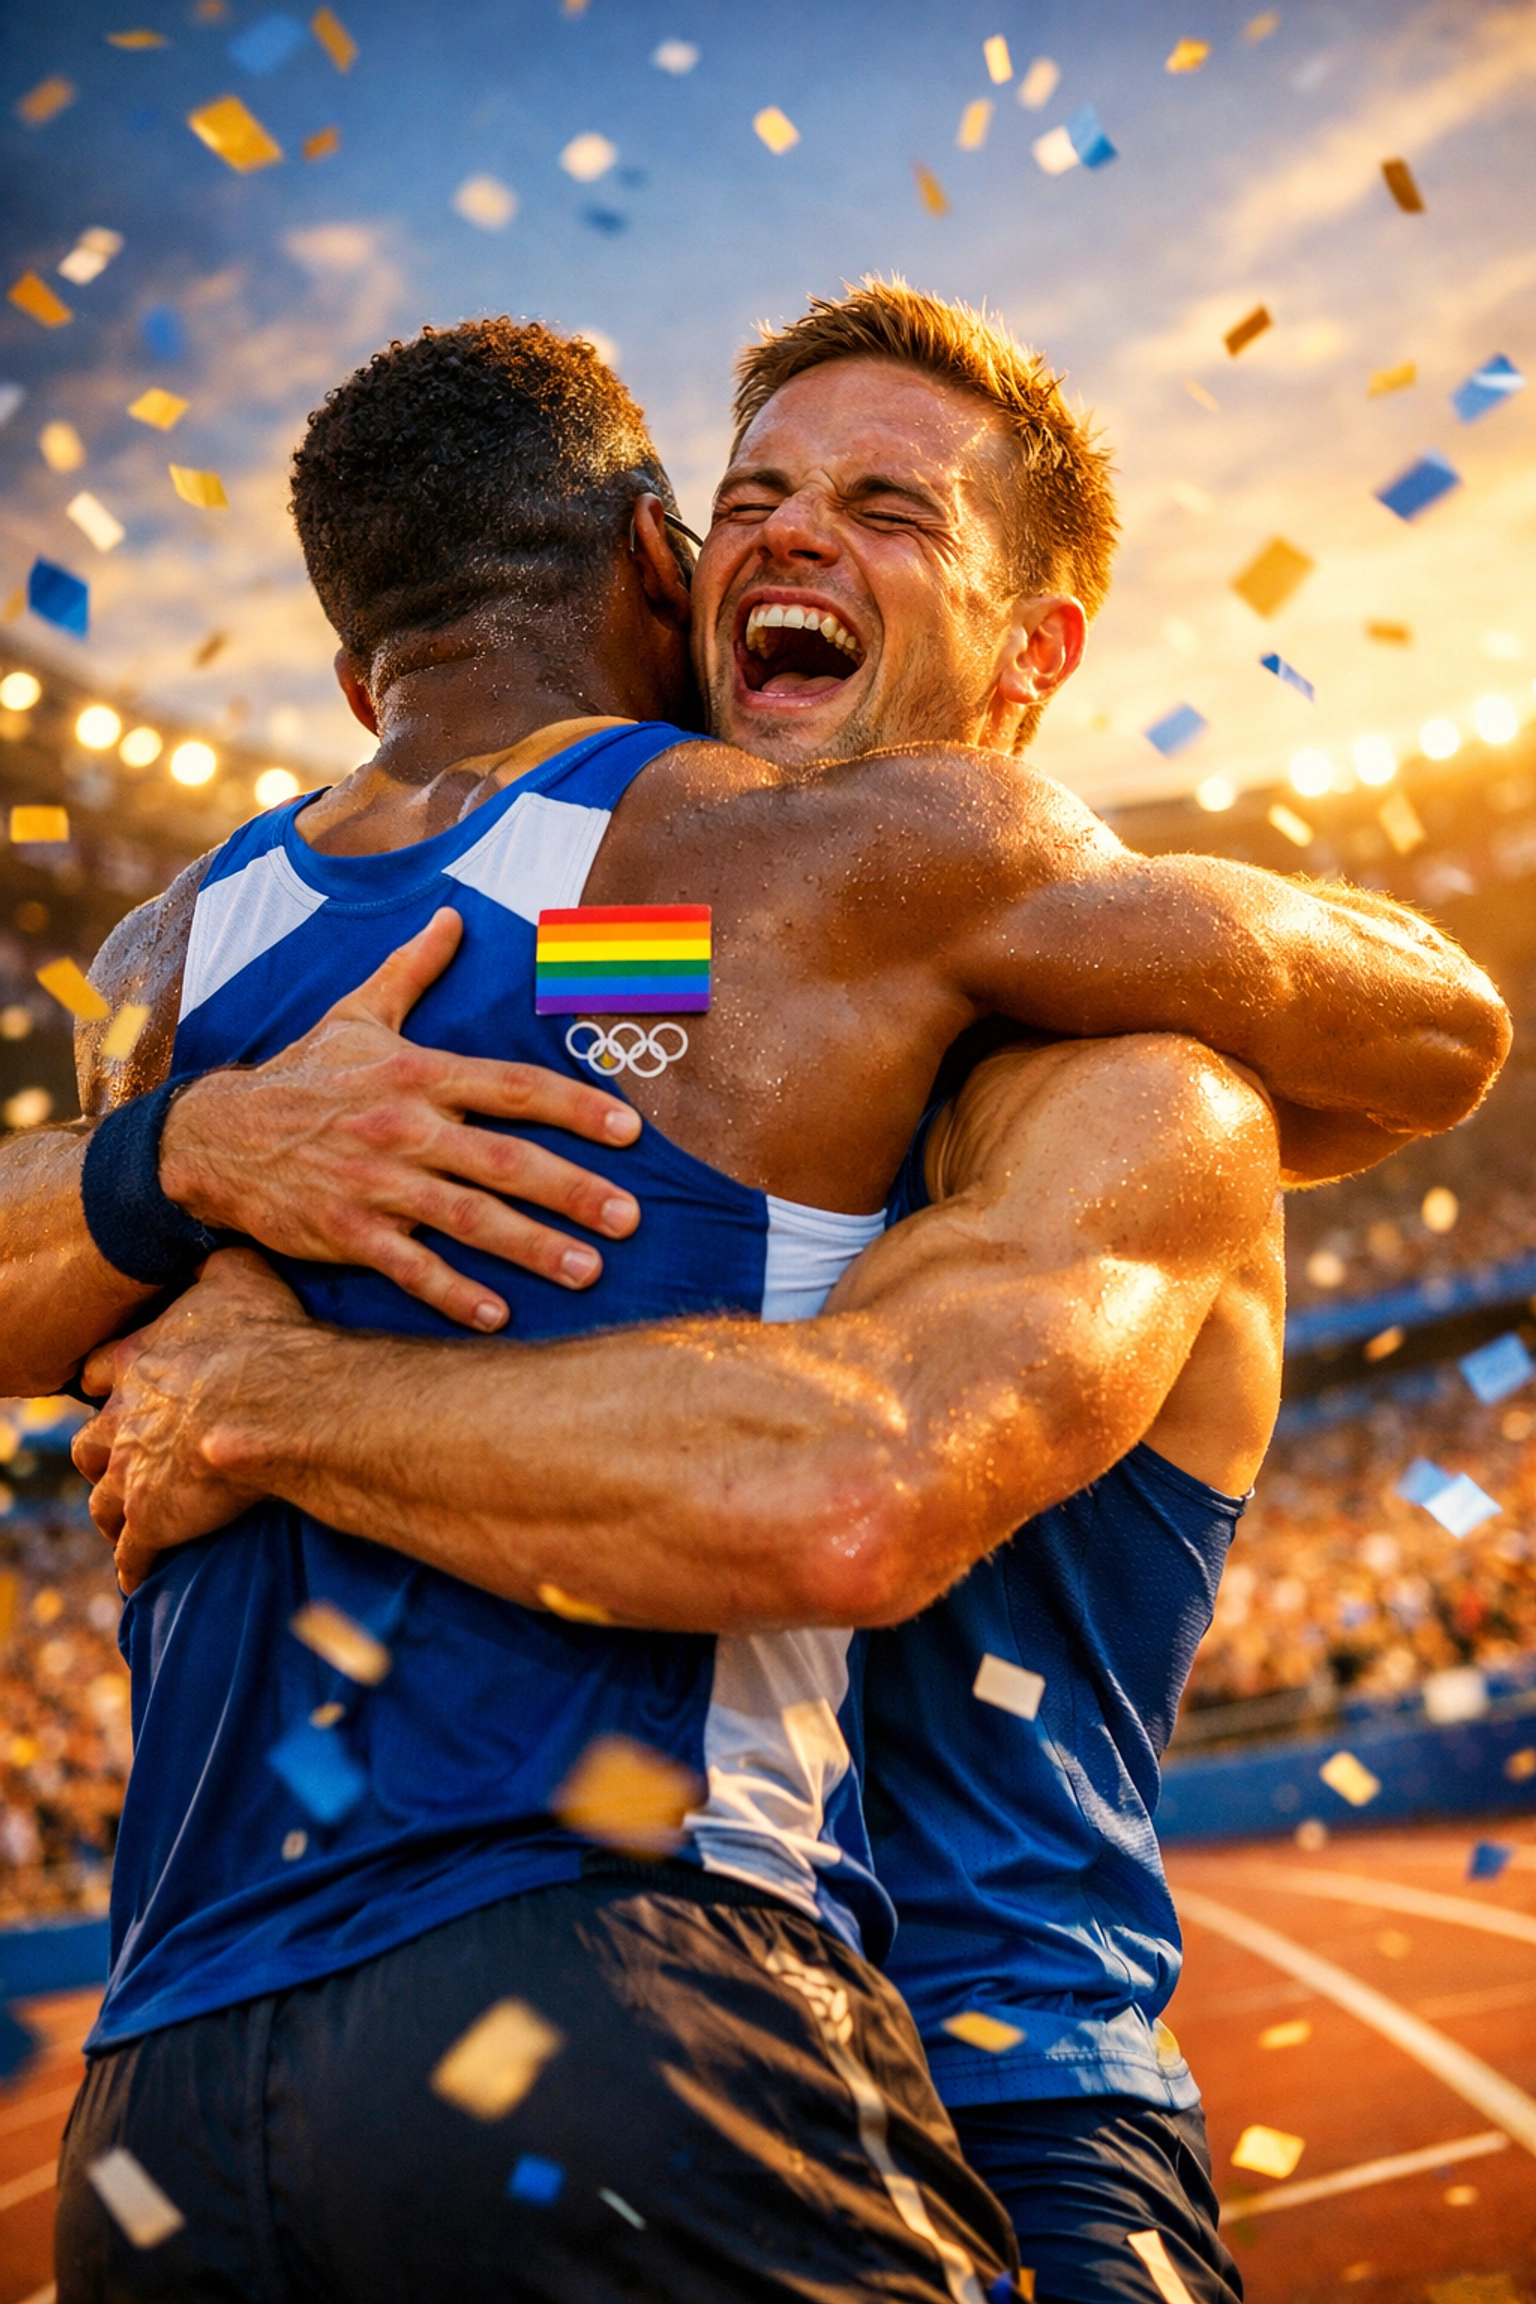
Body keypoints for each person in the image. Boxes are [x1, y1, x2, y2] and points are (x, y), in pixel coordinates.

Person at [14, 298, 1503, 2300]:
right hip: (668, 1999)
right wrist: (193, 1149)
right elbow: (624, 1039)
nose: (794, 538)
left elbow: (1436, 1026)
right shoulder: (694, 960)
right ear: (669, 560)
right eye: (755, 498)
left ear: (1037, 651)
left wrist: (260, 1393)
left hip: (1000, 2083)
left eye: (886, 506)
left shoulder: (1128, 1087)